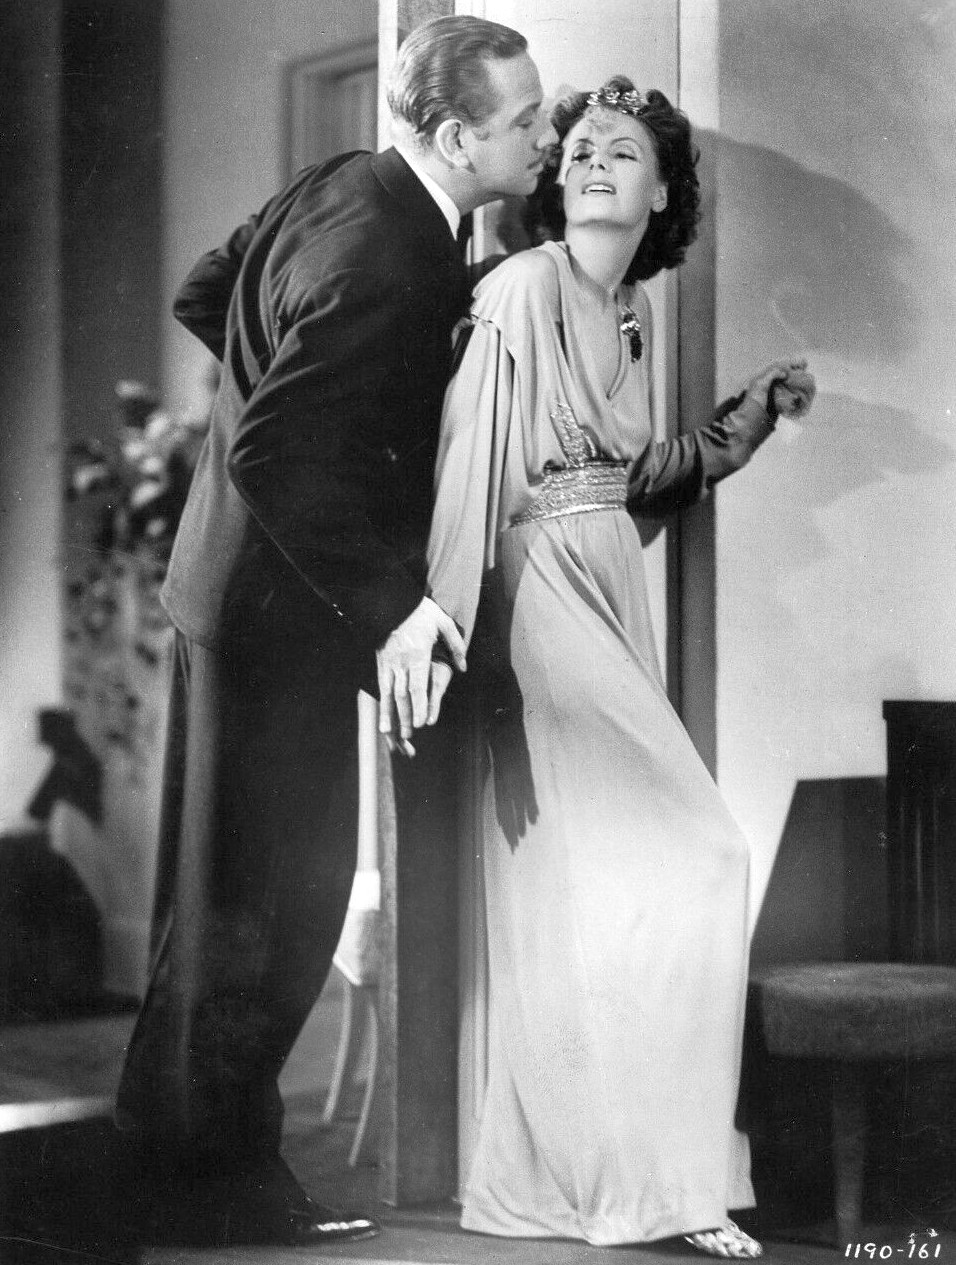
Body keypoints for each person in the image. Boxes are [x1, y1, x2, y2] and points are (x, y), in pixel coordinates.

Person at [113, 16, 556, 1248]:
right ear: (457, 138)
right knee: (269, 909)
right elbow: (274, 448)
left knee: (219, 903)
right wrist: (397, 605)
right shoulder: (388, 258)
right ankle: (218, 1192)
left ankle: (174, 1170)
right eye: (524, 118)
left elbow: (209, 294)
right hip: (277, 614)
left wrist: (304, 400)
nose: (543, 132)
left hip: (234, 591)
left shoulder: (344, 185)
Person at [422, 80, 815, 1258]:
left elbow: (629, 484)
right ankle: (661, 1184)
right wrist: (455, 642)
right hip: (532, 590)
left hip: (603, 581)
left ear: (661, 192)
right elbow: (468, 471)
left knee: (596, 894)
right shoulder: (521, 286)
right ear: (555, 181)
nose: (593, 160)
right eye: (579, 147)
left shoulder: (632, 310)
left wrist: (741, 425)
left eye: (624, 151)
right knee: (698, 852)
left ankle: (607, 1181)